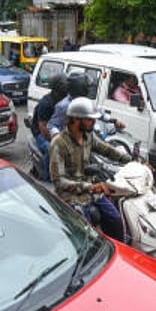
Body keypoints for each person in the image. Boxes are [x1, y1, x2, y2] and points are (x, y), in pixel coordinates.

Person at [49, 97, 133, 242]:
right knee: (87, 236)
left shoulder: (88, 136)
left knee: (116, 220)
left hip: (92, 192)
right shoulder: (59, 143)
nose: (94, 123)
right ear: (75, 119)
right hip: (72, 197)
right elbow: (59, 181)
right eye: (90, 120)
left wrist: (131, 160)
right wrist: (91, 186)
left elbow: (107, 150)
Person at [31, 72, 69, 182]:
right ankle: (49, 179)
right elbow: (43, 128)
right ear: (57, 89)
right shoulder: (46, 103)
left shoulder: (64, 101)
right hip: (41, 133)